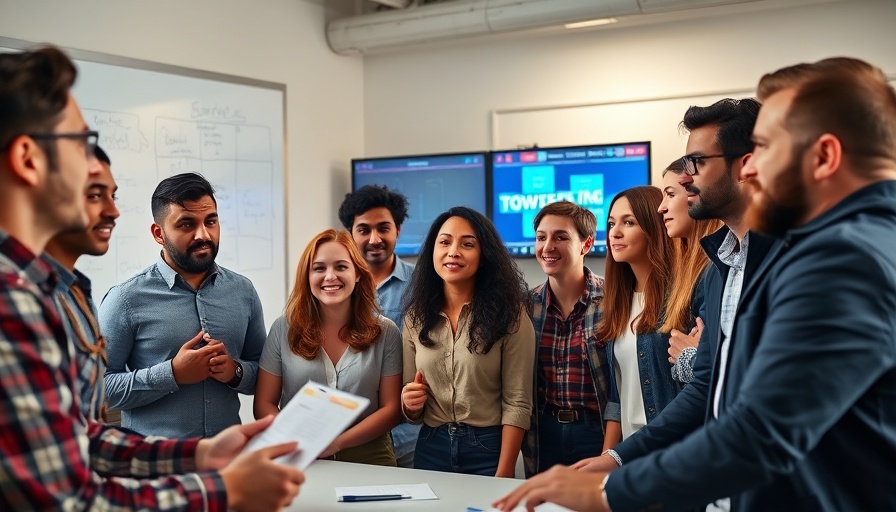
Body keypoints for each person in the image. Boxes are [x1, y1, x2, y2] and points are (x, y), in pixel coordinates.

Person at [497, 57, 896, 512]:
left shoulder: (843, 257)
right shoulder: (742, 258)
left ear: (824, 156)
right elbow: (711, 391)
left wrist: (612, 492)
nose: (750, 169)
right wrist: (617, 459)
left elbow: (765, 431)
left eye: (764, 149)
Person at [0, 45, 302, 512]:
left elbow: (81, 439)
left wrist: (201, 453)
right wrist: (224, 491)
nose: (108, 203)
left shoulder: (53, 289)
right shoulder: (14, 301)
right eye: (82, 143)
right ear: (27, 158)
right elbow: (67, 500)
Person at [101, 172, 267, 438]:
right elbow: (96, 389)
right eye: (186, 224)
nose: (203, 234)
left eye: (210, 221)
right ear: (159, 233)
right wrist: (172, 374)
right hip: (154, 465)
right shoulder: (125, 299)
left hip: (226, 460)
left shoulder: (243, 291)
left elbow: (264, 375)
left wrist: (234, 371)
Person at [400, 206, 535, 477]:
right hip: (430, 446)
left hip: (488, 449)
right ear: (432, 253)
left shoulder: (510, 315)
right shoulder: (415, 317)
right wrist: (408, 404)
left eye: (468, 244)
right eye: (445, 242)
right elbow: (410, 400)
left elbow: (518, 402)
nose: (453, 252)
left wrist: (505, 469)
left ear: (484, 256)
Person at [255, 229, 402, 465]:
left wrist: (337, 443)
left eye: (341, 267)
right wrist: (297, 441)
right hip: (299, 455)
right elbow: (264, 404)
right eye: (319, 268)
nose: (330, 276)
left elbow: (392, 409)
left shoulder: (386, 332)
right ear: (307, 276)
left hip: (370, 456)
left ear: (357, 274)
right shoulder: (283, 328)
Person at [522, 200, 617, 476]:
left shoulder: (612, 300)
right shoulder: (526, 306)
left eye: (560, 237)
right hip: (544, 431)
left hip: (596, 429)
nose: (547, 247)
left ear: (586, 245)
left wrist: (608, 454)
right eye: (541, 237)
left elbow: (620, 389)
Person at [338, 184, 418, 467]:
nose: (374, 239)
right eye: (363, 230)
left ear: (398, 230)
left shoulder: (423, 285)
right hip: (349, 440)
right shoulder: (331, 287)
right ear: (350, 234)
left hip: (410, 439)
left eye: (384, 228)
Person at [43, 145, 119, 423]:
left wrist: (201, 454)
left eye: (113, 195)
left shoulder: (77, 294)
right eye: (96, 195)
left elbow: (87, 433)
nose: (114, 211)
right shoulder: (22, 295)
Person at [597, 186, 677, 444]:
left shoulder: (678, 299)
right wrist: (607, 458)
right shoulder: (618, 302)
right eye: (611, 224)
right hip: (630, 452)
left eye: (628, 222)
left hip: (668, 451)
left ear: (654, 227)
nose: (615, 233)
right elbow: (618, 398)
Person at [656, 159, 723, 383]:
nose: (661, 207)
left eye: (671, 194)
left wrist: (689, 357)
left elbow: (710, 370)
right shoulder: (684, 275)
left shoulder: (712, 271)